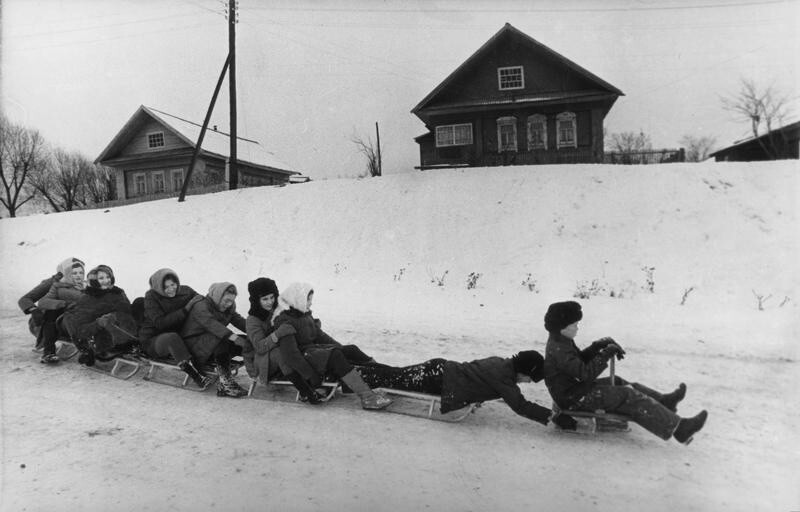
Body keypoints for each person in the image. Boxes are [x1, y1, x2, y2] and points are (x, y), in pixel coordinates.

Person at [542, 300, 708, 444]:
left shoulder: (562, 341)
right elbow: (585, 373)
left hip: (575, 390)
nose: (577, 328)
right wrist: (605, 354)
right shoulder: (559, 349)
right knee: (628, 396)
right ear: (562, 327)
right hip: (574, 398)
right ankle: (679, 429)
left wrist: (598, 346)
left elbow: (578, 361)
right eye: (574, 325)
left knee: (620, 382)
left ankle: (664, 402)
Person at [354, 351, 576, 428]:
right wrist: (554, 417)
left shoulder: (501, 363)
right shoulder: (504, 377)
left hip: (440, 369)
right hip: (437, 380)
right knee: (389, 379)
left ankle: (357, 368)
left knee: (394, 375)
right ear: (523, 371)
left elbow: (477, 376)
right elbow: (520, 405)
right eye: (529, 378)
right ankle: (350, 372)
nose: (527, 382)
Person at [269, 282, 392, 410]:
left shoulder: (304, 315)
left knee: (351, 350)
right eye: (308, 300)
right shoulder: (283, 321)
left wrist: (342, 349)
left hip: (312, 352)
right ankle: (368, 398)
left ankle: (386, 376)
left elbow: (321, 336)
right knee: (335, 355)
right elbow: (291, 355)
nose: (311, 303)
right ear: (298, 299)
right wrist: (310, 376)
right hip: (304, 358)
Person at [138, 268, 209, 388]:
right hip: (154, 340)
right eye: (166, 287)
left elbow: (201, 302)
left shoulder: (185, 290)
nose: (171, 289)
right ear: (158, 287)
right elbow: (160, 323)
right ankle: (197, 375)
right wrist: (186, 309)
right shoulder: (151, 297)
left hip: (179, 335)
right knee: (172, 337)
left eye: (173, 284)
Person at [180, 282, 249, 398]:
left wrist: (258, 333)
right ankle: (225, 382)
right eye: (226, 300)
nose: (229, 304)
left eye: (231, 301)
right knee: (223, 337)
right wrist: (235, 338)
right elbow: (213, 325)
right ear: (217, 296)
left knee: (246, 341)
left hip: (213, 344)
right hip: (193, 346)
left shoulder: (228, 307)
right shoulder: (200, 305)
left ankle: (271, 370)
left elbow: (239, 321)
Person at [62, 265, 139, 366]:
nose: (106, 281)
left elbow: (128, 313)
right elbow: (81, 328)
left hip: (125, 333)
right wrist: (100, 322)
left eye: (108, 277)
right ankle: (90, 351)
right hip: (103, 338)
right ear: (94, 280)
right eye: (101, 278)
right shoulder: (88, 298)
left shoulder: (118, 292)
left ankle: (131, 343)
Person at [35, 257, 86, 364]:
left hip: (84, 317)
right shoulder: (59, 287)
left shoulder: (88, 286)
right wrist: (63, 303)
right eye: (74, 273)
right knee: (51, 313)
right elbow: (43, 302)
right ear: (68, 274)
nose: (78, 275)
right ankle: (48, 352)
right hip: (64, 320)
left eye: (81, 273)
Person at [18, 264, 64, 350]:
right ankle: (48, 347)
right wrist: (34, 310)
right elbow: (24, 299)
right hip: (41, 321)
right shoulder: (51, 282)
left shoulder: (78, 283)